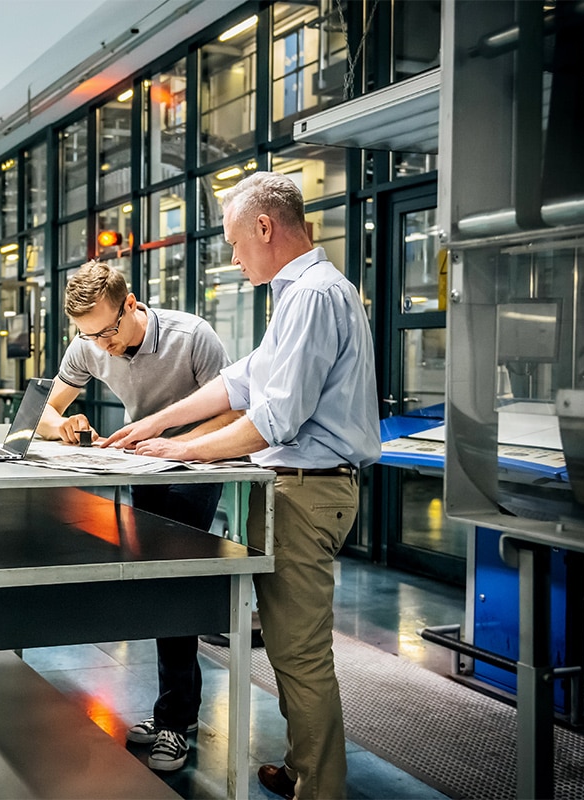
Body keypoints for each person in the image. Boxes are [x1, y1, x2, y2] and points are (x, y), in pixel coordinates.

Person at [104, 171, 381, 800]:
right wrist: (154, 421)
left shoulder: (312, 295)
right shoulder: (301, 295)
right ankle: (303, 763)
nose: (232, 257)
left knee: (301, 654)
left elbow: (273, 418)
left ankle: (321, 788)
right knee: (288, 646)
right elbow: (240, 382)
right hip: (297, 489)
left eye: (234, 243)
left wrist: (181, 451)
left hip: (306, 492)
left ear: (265, 227)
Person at [34, 260, 239, 773]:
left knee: (173, 582)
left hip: (197, 466)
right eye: (87, 335)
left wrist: (172, 445)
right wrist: (61, 424)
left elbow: (235, 412)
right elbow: (41, 411)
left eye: (107, 331)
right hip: (142, 468)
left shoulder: (192, 337)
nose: (100, 345)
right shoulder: (87, 344)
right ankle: (179, 711)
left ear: (131, 305)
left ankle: (173, 719)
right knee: (154, 583)